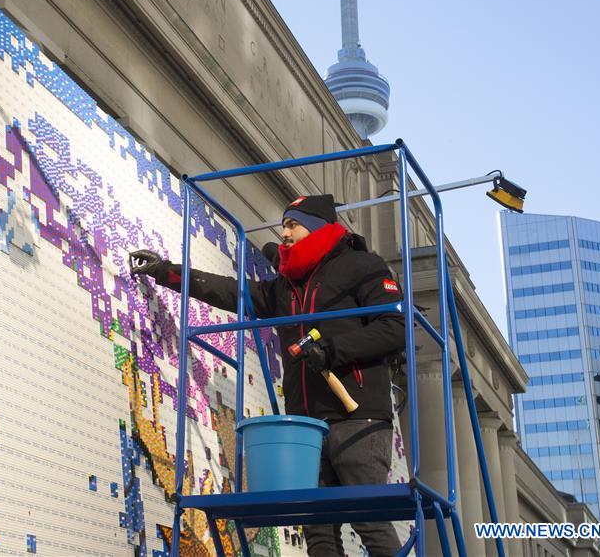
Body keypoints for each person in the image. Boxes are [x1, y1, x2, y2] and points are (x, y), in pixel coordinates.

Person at [129, 194, 405, 556]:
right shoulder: (284, 287)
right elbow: (229, 291)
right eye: (283, 225)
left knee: (369, 520)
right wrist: (168, 273)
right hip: (307, 427)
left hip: (358, 417)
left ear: (318, 227)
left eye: (292, 224)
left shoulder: (363, 266)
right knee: (318, 530)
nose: (284, 233)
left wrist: (333, 351)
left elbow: (395, 327)